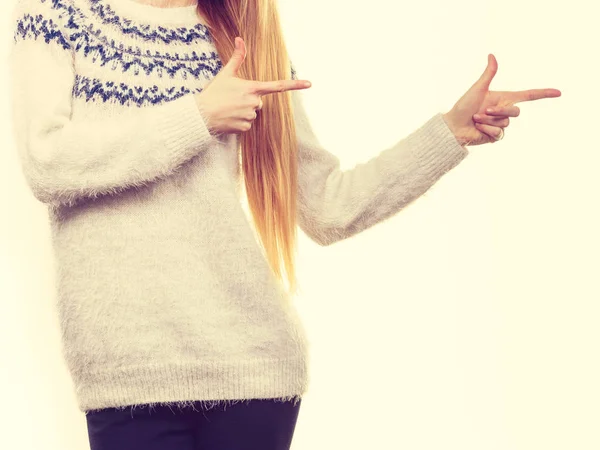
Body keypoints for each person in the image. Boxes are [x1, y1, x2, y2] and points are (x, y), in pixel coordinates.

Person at [7, 0, 561, 448]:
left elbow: (328, 207)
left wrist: (447, 134)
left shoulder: (245, 38)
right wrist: (198, 115)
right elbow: (48, 163)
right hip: (125, 373)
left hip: (254, 368)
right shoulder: (57, 14)